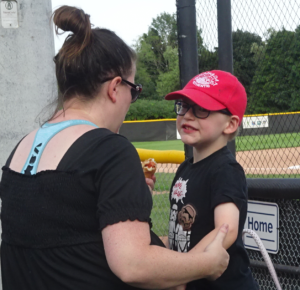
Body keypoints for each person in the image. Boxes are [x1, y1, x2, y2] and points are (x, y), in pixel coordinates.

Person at [0, 6, 230, 290]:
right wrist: (208, 264)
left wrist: (124, 200)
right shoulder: (110, 150)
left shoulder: (21, 146)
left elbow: (65, 231)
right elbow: (133, 265)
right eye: (134, 91)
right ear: (115, 87)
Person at [165, 70, 259, 290]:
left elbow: (226, 229)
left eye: (201, 109)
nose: (187, 114)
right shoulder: (185, 169)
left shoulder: (226, 169)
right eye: (184, 105)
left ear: (230, 124)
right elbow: (179, 230)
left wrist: (182, 272)